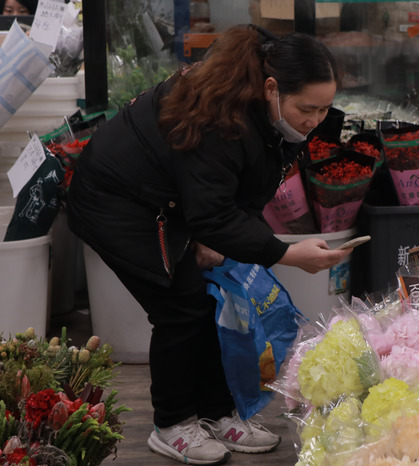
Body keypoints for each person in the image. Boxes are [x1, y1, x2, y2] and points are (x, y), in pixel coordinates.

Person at [66, 25, 350, 465]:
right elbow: (214, 210)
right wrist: (285, 253)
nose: (315, 121)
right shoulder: (222, 115)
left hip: (176, 198)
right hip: (118, 201)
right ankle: (173, 424)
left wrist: (219, 235)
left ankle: (217, 412)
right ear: (271, 89)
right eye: (307, 109)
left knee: (220, 298)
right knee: (181, 307)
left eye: (325, 109)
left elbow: (240, 192)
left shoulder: (273, 115)